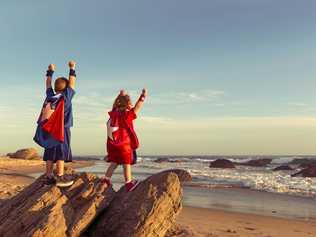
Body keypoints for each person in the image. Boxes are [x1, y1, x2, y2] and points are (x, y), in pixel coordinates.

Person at [34, 61, 77, 187]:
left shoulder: (50, 96)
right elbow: (73, 83)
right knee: (60, 154)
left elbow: (47, 84)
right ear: (66, 88)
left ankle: (48, 177)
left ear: (56, 87)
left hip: (48, 130)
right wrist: (72, 68)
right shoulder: (65, 97)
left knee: (49, 154)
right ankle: (59, 176)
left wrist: (50, 71)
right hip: (62, 129)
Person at [102, 88, 148, 192]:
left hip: (113, 145)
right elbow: (138, 106)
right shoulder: (128, 114)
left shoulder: (114, 113)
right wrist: (142, 96)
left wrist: (119, 96)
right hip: (125, 145)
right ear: (128, 104)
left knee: (114, 163)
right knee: (126, 164)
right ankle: (128, 183)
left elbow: (114, 106)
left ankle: (106, 179)